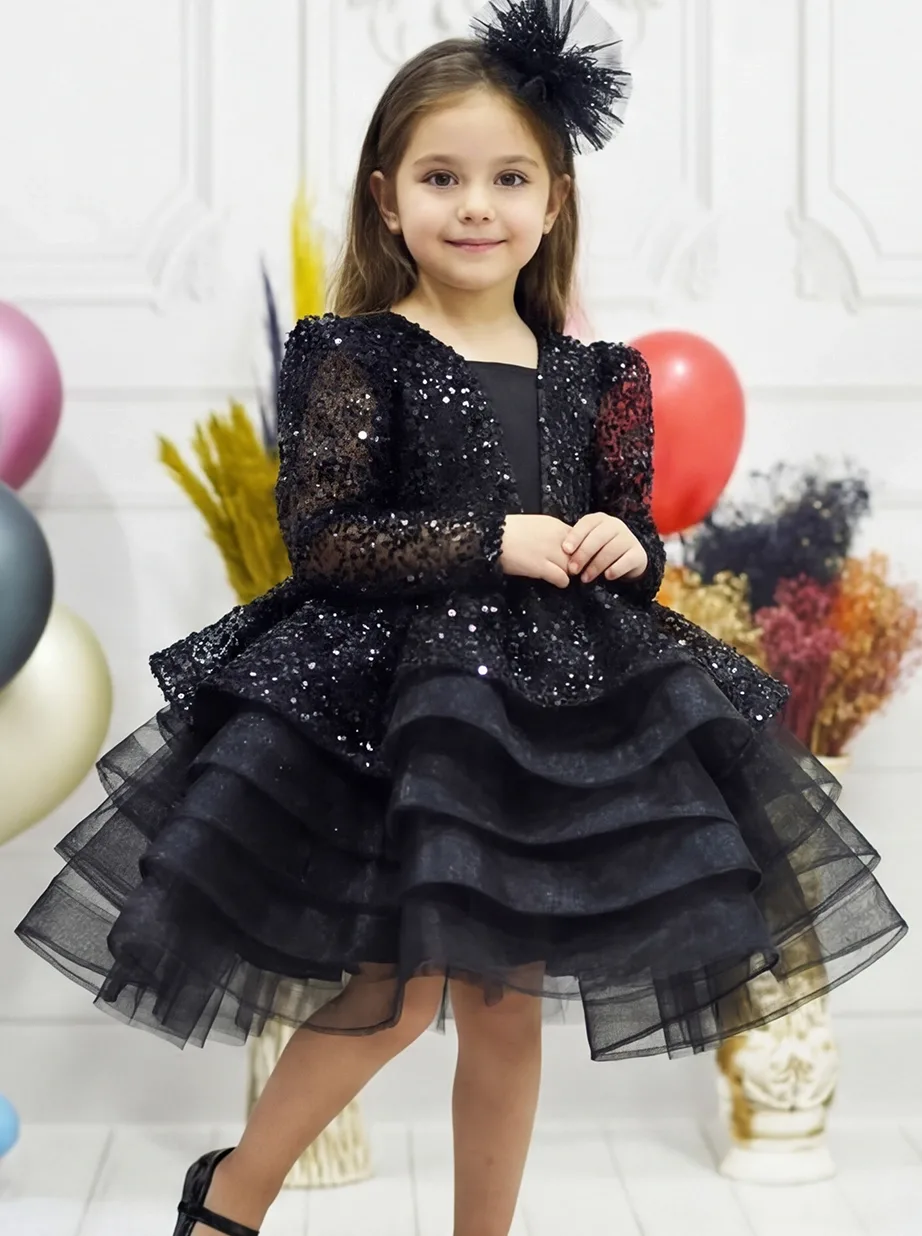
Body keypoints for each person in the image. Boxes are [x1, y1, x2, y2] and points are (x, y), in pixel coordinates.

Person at [15, 2, 908, 1234]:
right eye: (442, 178)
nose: (475, 206)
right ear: (388, 201)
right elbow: (326, 537)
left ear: (553, 201)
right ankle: (230, 1195)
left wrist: (626, 548)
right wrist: (491, 541)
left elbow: (626, 534)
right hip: (404, 720)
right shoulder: (353, 354)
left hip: (549, 722)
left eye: (507, 179)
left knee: (503, 1008)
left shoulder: (603, 377)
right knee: (393, 993)